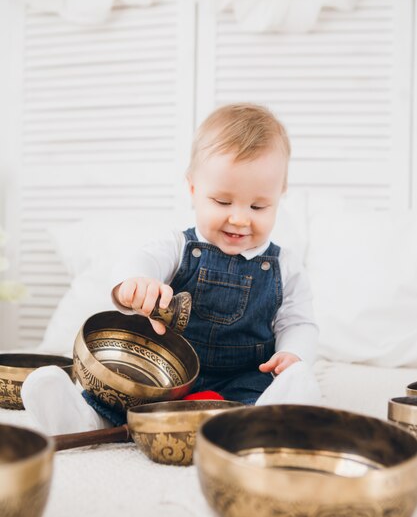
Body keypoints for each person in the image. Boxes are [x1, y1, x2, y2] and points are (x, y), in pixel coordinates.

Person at [22, 103, 321, 435]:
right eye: (222, 202)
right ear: (193, 190)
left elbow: (299, 321)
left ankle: (271, 413)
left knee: (272, 387)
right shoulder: (179, 247)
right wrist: (135, 283)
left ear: (280, 196)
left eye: (258, 206)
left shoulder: (285, 265)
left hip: (243, 377)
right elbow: (140, 260)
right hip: (166, 375)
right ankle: (84, 420)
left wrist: (293, 353)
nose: (239, 218)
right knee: (127, 395)